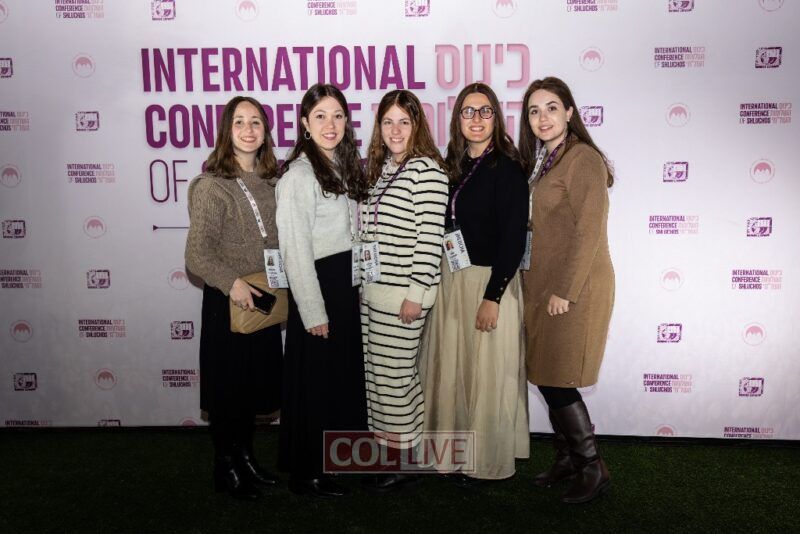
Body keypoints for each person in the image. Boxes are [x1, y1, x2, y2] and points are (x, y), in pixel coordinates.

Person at [418, 83, 530, 483]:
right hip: (452, 282)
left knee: (486, 375)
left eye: (485, 111)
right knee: (453, 372)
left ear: (496, 118)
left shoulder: (508, 169)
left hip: (490, 283)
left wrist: (492, 297)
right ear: (457, 119)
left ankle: (484, 461)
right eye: (468, 111)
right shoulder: (451, 166)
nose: (477, 119)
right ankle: (450, 455)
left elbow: (514, 239)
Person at [518, 76, 615, 504]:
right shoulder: (547, 159)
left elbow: (588, 232)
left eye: (552, 108)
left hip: (575, 287)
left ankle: (592, 466)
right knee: (546, 374)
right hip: (543, 285)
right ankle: (567, 458)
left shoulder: (583, 159)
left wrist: (566, 291)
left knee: (560, 379)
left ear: (570, 112)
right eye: (534, 111)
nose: (543, 117)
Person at [185, 95, 282, 500]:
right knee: (228, 390)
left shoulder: (274, 181)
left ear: (265, 131)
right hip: (229, 300)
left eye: (255, 121)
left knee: (251, 387)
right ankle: (225, 467)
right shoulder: (211, 185)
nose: (248, 129)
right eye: (239, 122)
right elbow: (197, 255)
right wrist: (234, 284)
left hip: (265, 297)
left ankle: (245, 458)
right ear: (227, 131)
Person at [275, 83, 370, 498]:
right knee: (315, 383)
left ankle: (335, 462)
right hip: (318, 288)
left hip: (343, 287)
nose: (330, 124)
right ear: (304, 124)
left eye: (337, 115)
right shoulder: (298, 175)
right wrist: (313, 311)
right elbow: (295, 250)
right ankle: (308, 472)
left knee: (336, 380)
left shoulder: (339, 167)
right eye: (320, 116)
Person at [359, 90, 449, 491]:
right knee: (379, 377)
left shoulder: (426, 170)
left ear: (417, 126)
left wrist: (416, 293)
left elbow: (429, 238)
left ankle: (404, 459)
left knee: (394, 379)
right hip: (375, 293)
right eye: (388, 122)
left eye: (404, 122)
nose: (395, 130)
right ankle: (389, 450)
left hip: (403, 297)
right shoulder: (383, 169)